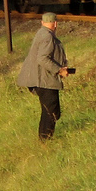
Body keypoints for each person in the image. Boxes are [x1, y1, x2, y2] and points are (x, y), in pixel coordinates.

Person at [16, 12, 70, 140]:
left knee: (49, 111)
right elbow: (43, 59)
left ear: (42, 23)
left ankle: (44, 139)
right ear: (55, 23)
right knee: (51, 113)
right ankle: (45, 140)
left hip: (40, 79)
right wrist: (59, 70)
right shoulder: (47, 36)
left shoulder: (41, 33)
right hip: (44, 80)